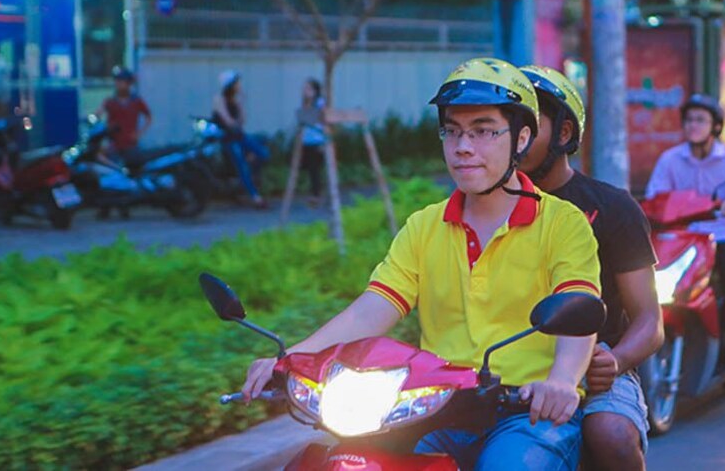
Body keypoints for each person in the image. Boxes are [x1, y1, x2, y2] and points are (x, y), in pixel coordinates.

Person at [241, 58, 602, 470]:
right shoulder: (424, 226)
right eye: (452, 131)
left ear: (521, 138)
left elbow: (578, 307)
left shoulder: (562, 223)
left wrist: (561, 380)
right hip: (437, 407)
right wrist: (291, 360)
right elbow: (373, 309)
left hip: (529, 413)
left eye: (483, 131)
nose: (463, 146)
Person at [518, 65, 661, 471]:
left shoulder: (612, 207)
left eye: (528, 125)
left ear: (563, 134)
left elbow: (650, 318)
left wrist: (614, 361)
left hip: (595, 369)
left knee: (611, 434)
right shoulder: (480, 205)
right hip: (501, 366)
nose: (515, 138)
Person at [644, 94, 725, 376]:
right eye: (689, 120)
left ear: (715, 126)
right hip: (682, 236)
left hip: (719, 236)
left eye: (701, 120)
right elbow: (655, 196)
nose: (693, 125)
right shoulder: (670, 159)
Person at [212, 70, 269, 208]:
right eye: (237, 83)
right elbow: (229, 122)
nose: (239, 85)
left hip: (239, 135)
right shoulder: (219, 99)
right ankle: (255, 197)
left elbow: (242, 121)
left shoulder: (235, 100)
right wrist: (236, 122)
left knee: (264, 153)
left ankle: (248, 173)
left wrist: (241, 103)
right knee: (241, 166)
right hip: (228, 138)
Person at [96, 67, 151, 160]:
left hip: (130, 144)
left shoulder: (136, 101)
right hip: (114, 145)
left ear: (128, 83)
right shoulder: (110, 101)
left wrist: (139, 133)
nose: (118, 84)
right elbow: (98, 114)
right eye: (117, 81)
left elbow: (148, 117)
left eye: (121, 81)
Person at [298, 78, 326, 208]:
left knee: (315, 168)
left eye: (308, 89)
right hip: (306, 140)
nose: (305, 91)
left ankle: (316, 194)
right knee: (308, 167)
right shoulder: (305, 103)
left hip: (317, 140)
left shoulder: (320, 103)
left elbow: (312, 119)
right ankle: (313, 192)